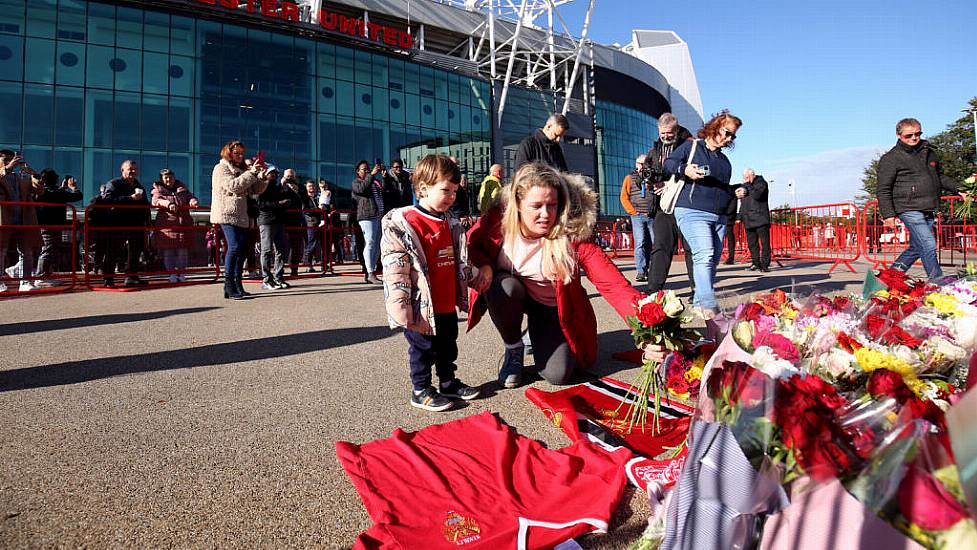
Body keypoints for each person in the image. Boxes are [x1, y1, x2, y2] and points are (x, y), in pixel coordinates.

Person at [467, 162, 663, 387]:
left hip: (552, 307)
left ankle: (538, 333)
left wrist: (648, 331)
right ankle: (514, 347)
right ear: (518, 204)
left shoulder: (574, 233)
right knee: (502, 287)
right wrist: (485, 265)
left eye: (552, 205)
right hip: (513, 294)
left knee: (559, 375)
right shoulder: (496, 222)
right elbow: (471, 244)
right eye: (536, 206)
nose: (545, 214)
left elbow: (614, 286)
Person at [380, 154, 487, 411]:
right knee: (422, 349)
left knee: (448, 345)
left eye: (454, 191)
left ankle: (448, 383)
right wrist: (399, 305)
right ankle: (421, 389)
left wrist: (475, 278)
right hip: (420, 304)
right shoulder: (403, 223)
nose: (451, 196)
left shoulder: (451, 222)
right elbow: (396, 269)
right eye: (445, 190)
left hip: (446, 301)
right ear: (424, 189)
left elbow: (460, 261)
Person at [664, 111, 746, 316]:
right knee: (705, 254)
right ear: (715, 127)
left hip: (718, 215)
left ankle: (700, 302)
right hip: (691, 210)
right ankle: (709, 305)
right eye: (727, 133)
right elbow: (668, 164)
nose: (729, 139)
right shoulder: (692, 147)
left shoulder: (725, 162)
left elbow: (722, 188)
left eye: (733, 136)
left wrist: (736, 190)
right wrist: (685, 169)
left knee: (713, 259)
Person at [877, 117, 964, 281]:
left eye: (917, 134)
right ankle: (937, 282)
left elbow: (940, 177)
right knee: (928, 244)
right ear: (898, 135)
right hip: (908, 207)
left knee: (917, 247)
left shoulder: (929, 152)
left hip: (928, 206)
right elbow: (883, 188)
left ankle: (888, 278)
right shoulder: (891, 158)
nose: (914, 138)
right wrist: (888, 215)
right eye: (908, 135)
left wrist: (961, 189)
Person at [209, 140, 269, 299]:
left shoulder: (242, 169)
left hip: (242, 215)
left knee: (242, 249)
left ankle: (237, 284)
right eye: (236, 152)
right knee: (234, 246)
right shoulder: (221, 168)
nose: (240, 156)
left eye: (242, 153)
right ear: (228, 152)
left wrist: (261, 177)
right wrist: (251, 173)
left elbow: (256, 190)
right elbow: (233, 186)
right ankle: (229, 284)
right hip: (226, 212)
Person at [644, 114, 695, 294]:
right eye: (662, 133)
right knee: (660, 246)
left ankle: (698, 291)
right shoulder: (654, 150)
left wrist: (670, 183)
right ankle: (653, 290)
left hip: (686, 204)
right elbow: (646, 173)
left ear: (677, 129)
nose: (666, 136)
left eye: (669, 132)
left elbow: (695, 172)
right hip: (663, 205)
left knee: (690, 248)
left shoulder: (691, 145)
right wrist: (651, 183)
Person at [100, 160, 151, 287]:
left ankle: (131, 277)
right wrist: (130, 199)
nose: (133, 171)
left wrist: (147, 221)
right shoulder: (114, 183)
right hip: (118, 223)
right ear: (122, 170)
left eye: (135, 169)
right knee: (113, 251)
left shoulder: (139, 186)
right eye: (130, 169)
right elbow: (107, 199)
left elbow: (145, 205)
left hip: (136, 224)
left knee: (135, 251)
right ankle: (108, 279)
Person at [0, 150, 41, 292]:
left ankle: (25, 281)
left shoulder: (21, 177)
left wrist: (34, 174)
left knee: (26, 251)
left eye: (12, 159)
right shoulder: (2, 174)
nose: (10, 162)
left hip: (23, 219)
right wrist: (8, 167)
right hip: (3, 219)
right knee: (1, 250)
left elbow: (39, 190)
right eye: (5, 159)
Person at [33, 169, 82, 284]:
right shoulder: (57, 192)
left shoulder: (42, 192)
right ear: (54, 179)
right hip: (52, 225)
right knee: (48, 250)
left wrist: (62, 188)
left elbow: (55, 195)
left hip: (45, 224)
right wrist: (73, 187)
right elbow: (77, 196)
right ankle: (41, 277)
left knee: (48, 249)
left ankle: (45, 275)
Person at [151, 168, 199, 283]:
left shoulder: (182, 189)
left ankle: (182, 273)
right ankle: (171, 274)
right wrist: (168, 204)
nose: (169, 179)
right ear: (162, 179)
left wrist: (193, 201)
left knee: (183, 251)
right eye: (166, 177)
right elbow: (156, 201)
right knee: (169, 251)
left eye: (170, 177)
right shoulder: (157, 190)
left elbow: (190, 197)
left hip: (183, 224)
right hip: (167, 225)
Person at [256, 166, 296, 290]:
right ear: (266, 174)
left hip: (279, 221)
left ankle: (278, 277)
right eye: (271, 173)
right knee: (267, 250)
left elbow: (290, 200)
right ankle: (267, 279)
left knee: (281, 250)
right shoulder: (261, 186)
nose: (274, 176)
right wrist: (278, 204)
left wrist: (287, 192)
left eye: (276, 174)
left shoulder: (278, 187)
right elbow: (260, 204)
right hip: (266, 221)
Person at [619, 154, 653, 281]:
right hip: (637, 216)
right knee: (640, 242)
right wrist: (632, 212)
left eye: (645, 163)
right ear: (636, 164)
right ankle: (640, 270)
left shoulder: (652, 177)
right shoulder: (629, 178)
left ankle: (649, 269)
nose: (642, 166)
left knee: (652, 243)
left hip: (652, 216)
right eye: (640, 163)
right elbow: (624, 196)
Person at [352, 159, 385, 284]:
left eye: (368, 169)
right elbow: (361, 189)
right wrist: (371, 174)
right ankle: (369, 272)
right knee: (370, 242)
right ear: (357, 171)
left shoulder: (374, 182)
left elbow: (385, 192)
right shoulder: (356, 182)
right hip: (367, 216)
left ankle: (373, 271)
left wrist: (384, 177)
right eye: (364, 169)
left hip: (379, 215)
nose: (367, 171)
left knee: (377, 244)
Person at [738, 168, 771, 272]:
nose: (745, 179)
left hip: (761, 218)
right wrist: (739, 216)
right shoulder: (745, 187)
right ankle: (755, 263)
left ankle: (765, 265)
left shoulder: (761, 183)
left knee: (765, 243)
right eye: (744, 177)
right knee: (752, 244)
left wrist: (747, 186)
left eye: (747, 177)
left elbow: (757, 195)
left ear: (753, 175)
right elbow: (743, 203)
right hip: (748, 219)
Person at [301, 179, 323, 273]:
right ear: (306, 187)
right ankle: (308, 264)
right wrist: (317, 209)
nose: (312, 188)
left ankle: (320, 264)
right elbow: (305, 210)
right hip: (310, 223)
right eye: (309, 186)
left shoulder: (318, 197)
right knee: (311, 244)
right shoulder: (304, 198)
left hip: (320, 223)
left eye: (313, 186)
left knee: (319, 245)